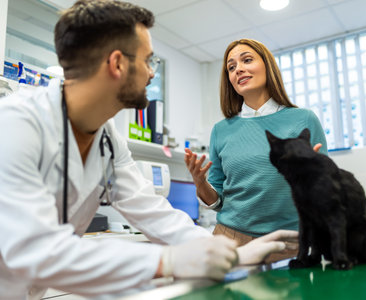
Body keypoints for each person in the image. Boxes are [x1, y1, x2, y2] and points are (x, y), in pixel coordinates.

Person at [0, 2, 298, 299]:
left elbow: (154, 212)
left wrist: (230, 252)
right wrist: (164, 261)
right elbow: (34, 250)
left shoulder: (108, 140)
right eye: (148, 61)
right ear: (117, 64)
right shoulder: (15, 124)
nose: (152, 74)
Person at [185, 38, 328, 262]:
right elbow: (217, 201)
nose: (238, 69)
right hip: (230, 240)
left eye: (247, 60)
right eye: (231, 67)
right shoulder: (221, 130)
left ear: (267, 66)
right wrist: (200, 183)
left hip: (288, 242)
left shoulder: (303, 119)